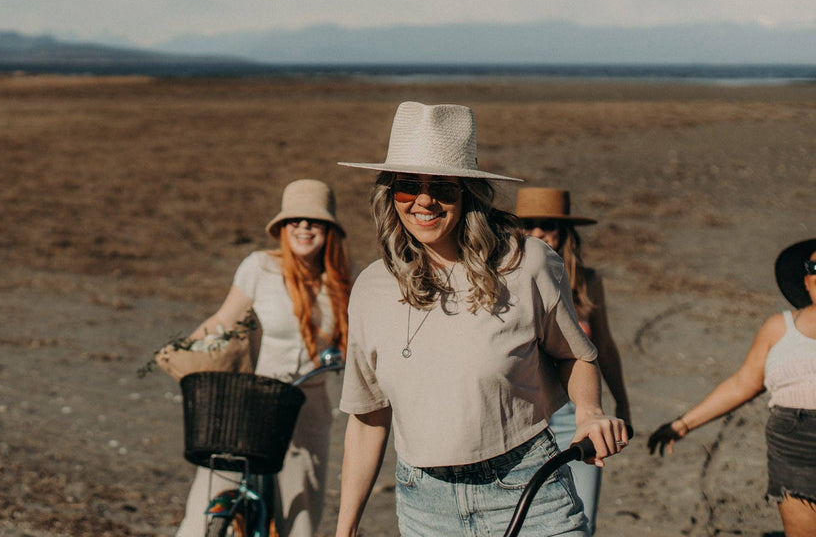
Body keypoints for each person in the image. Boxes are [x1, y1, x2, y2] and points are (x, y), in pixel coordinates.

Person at [334, 102, 628, 537]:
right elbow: (368, 418)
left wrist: (589, 413)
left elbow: (576, 356)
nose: (425, 201)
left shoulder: (526, 264)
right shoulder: (371, 289)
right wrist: (345, 530)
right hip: (425, 508)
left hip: (528, 490)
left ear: (468, 192)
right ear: (388, 192)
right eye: (409, 186)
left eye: (443, 188)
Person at [173, 178, 353, 537]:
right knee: (207, 501)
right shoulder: (260, 267)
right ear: (282, 228)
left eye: (314, 221)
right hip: (251, 398)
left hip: (306, 402)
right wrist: (183, 356)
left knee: (300, 516)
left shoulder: (344, 282)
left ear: (329, 229)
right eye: (294, 221)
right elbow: (224, 321)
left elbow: (354, 344)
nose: (303, 228)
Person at [647, 238, 816, 537]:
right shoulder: (779, 328)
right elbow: (742, 383)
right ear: (805, 279)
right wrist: (684, 423)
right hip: (793, 448)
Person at [515, 187, 631, 535]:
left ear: (564, 231)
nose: (537, 233)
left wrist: (622, 400)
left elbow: (604, 347)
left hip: (574, 416)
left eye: (547, 225)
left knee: (580, 523)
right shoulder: (505, 281)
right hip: (524, 420)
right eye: (528, 225)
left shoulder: (587, 283)